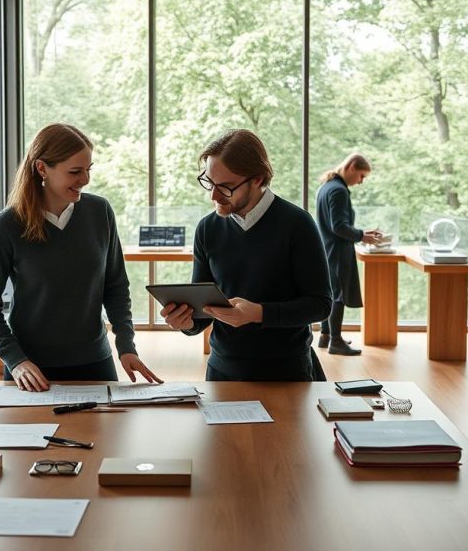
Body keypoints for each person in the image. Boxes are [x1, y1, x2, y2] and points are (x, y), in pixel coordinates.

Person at [0, 123, 161, 391]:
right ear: (42, 169)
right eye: (75, 171)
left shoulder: (100, 212)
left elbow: (116, 287)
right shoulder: (7, 225)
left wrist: (126, 346)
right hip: (30, 369)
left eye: (88, 169)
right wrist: (15, 361)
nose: (85, 179)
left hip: (95, 362)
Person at [160, 129, 332, 381]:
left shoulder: (298, 224)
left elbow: (320, 305)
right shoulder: (207, 228)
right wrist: (186, 322)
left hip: (287, 372)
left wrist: (257, 313)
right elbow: (203, 308)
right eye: (209, 182)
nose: (214, 196)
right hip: (221, 370)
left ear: (259, 180)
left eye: (226, 187)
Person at [315, 153, 381, 356]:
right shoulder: (339, 191)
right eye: (361, 176)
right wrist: (363, 236)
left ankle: (325, 336)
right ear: (352, 166)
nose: (361, 182)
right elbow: (339, 226)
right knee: (339, 295)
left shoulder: (326, 187)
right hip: (338, 251)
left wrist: (362, 234)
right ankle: (336, 341)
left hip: (326, 248)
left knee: (331, 292)